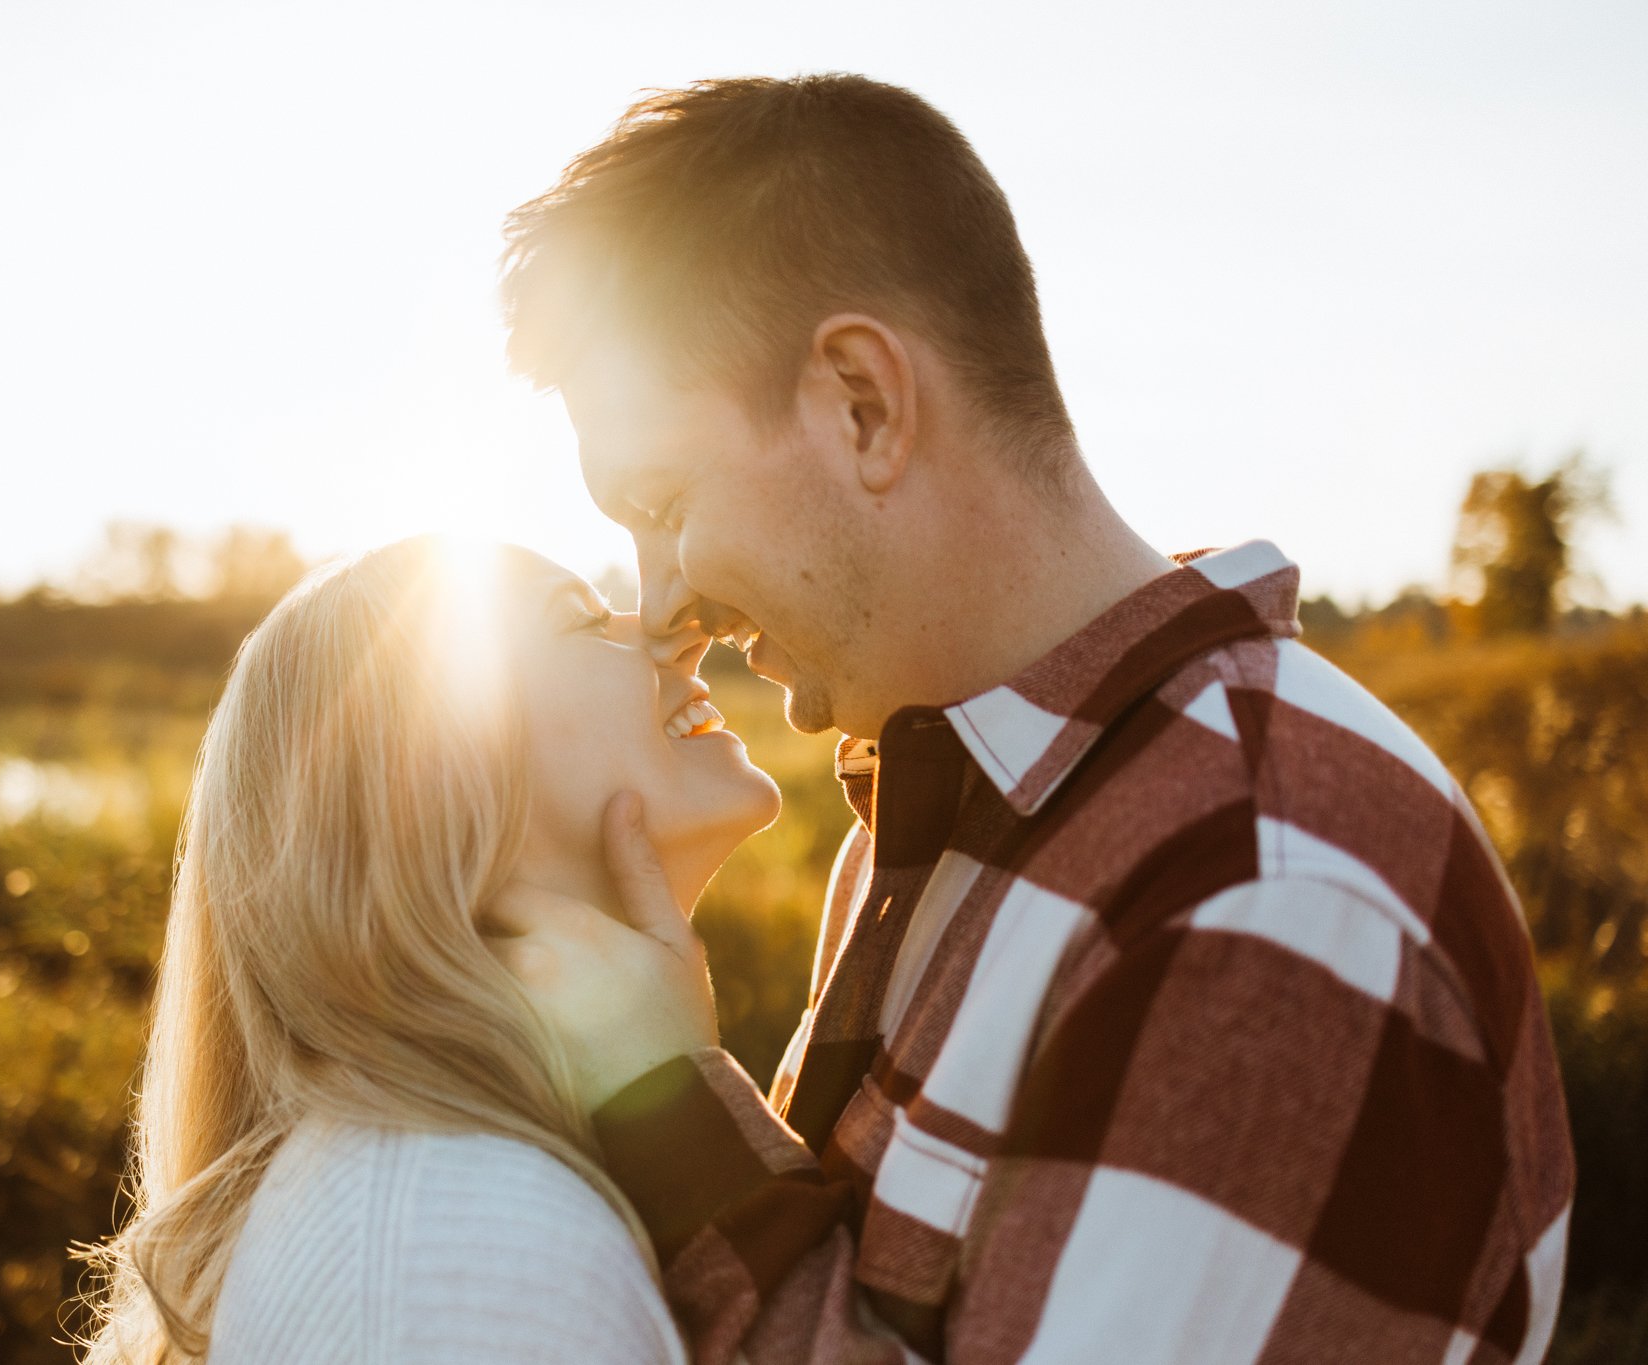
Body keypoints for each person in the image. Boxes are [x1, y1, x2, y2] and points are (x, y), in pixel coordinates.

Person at [490, 74, 1577, 1363]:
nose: (663, 603)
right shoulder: (948, 810)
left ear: (862, 404)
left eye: (663, 503)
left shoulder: (1254, 901)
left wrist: (670, 1113)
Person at [71, 536, 778, 1363]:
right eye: (582, 622)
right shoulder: (455, 1249)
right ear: (440, 780)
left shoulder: (463, 1195)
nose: (675, 631)